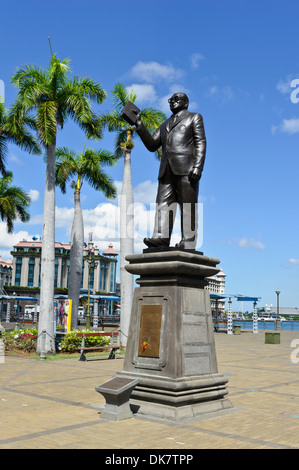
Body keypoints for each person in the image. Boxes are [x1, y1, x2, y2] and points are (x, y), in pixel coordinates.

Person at [135, 92, 206, 249]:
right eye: (170, 100)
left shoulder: (194, 117)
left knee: (188, 206)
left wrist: (198, 166)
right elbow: (152, 145)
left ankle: (188, 241)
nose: (172, 102)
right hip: (166, 170)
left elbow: (200, 142)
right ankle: (161, 237)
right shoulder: (164, 124)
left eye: (176, 99)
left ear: (185, 103)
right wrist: (139, 125)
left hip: (186, 169)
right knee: (163, 203)